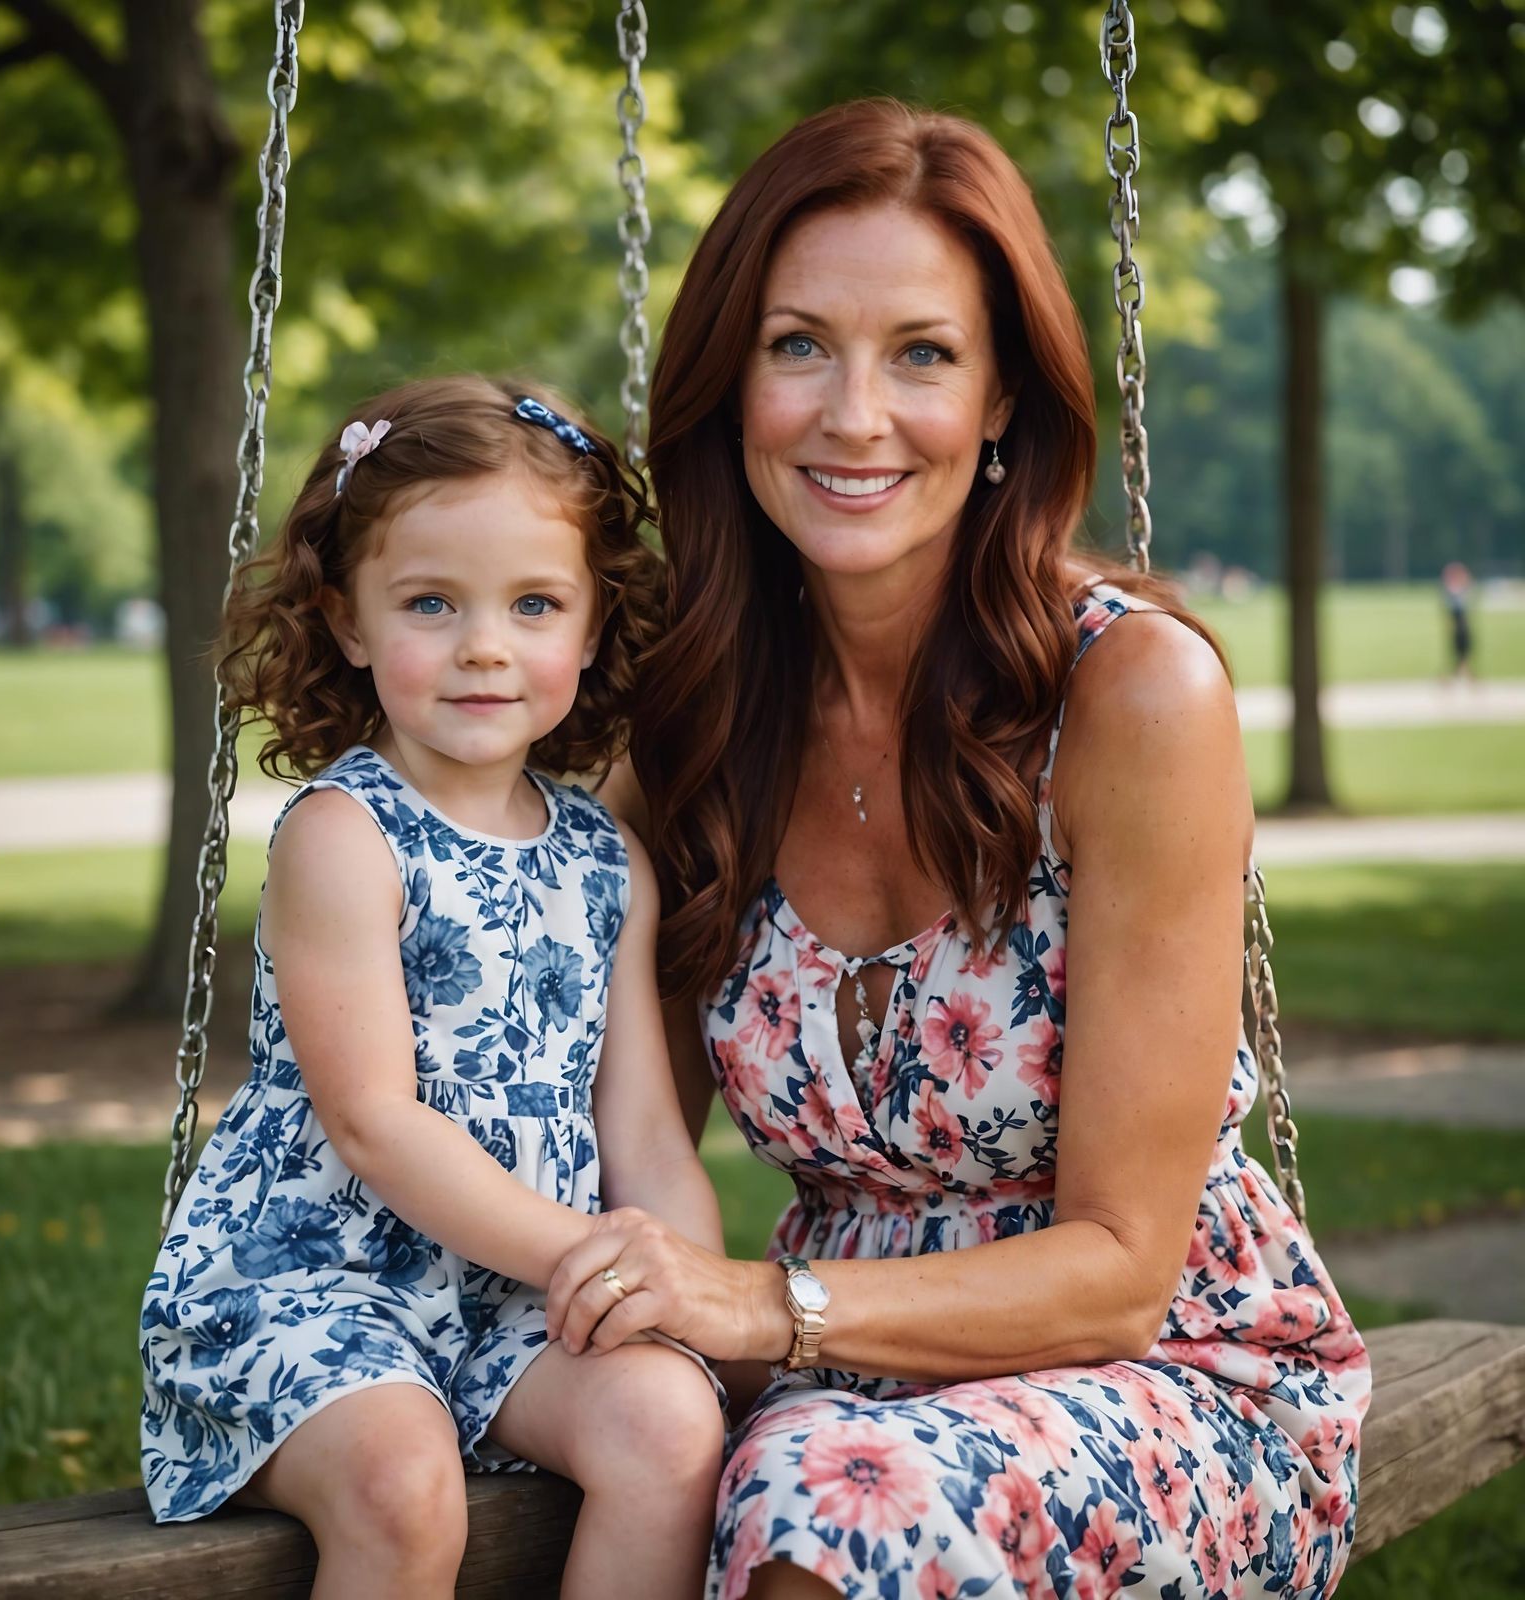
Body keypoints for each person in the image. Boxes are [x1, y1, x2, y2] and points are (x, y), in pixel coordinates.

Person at [566, 101, 1371, 1599]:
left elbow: (1126, 1266)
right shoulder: (688, 737)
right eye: (798, 344)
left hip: (1181, 1379)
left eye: (922, 354)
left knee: (827, 1505)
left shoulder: (1132, 699)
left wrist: (761, 1308)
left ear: (1002, 399)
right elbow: (615, 1142)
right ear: (729, 384)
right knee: (728, 1471)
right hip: (843, 1385)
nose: (852, 415)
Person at [139, 376, 727, 1599]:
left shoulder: (601, 858)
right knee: (403, 1485)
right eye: (429, 603)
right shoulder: (345, 835)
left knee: (671, 1426)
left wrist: (694, 1293)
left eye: (533, 603)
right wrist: (588, 1251)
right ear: (347, 620)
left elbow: (646, 1130)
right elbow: (376, 1122)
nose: (484, 646)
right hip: (315, 1288)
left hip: (514, 1305)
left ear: (592, 623)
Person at [1442, 560, 1475, 683]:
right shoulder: (1453, 593)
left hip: (1462, 626)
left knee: (1463, 655)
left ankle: (1463, 677)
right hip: (1459, 626)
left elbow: (1467, 585)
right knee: (1461, 655)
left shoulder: (1459, 591)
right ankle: (1466, 678)